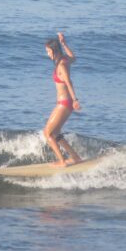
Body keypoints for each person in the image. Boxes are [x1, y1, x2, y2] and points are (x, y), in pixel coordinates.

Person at [43, 32, 83, 167]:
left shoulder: (61, 65)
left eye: (48, 51)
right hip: (64, 103)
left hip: (64, 103)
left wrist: (75, 99)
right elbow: (74, 57)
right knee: (55, 133)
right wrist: (64, 44)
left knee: (47, 133)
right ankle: (76, 158)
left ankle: (62, 162)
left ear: (54, 50)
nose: (47, 54)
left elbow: (68, 82)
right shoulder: (65, 60)